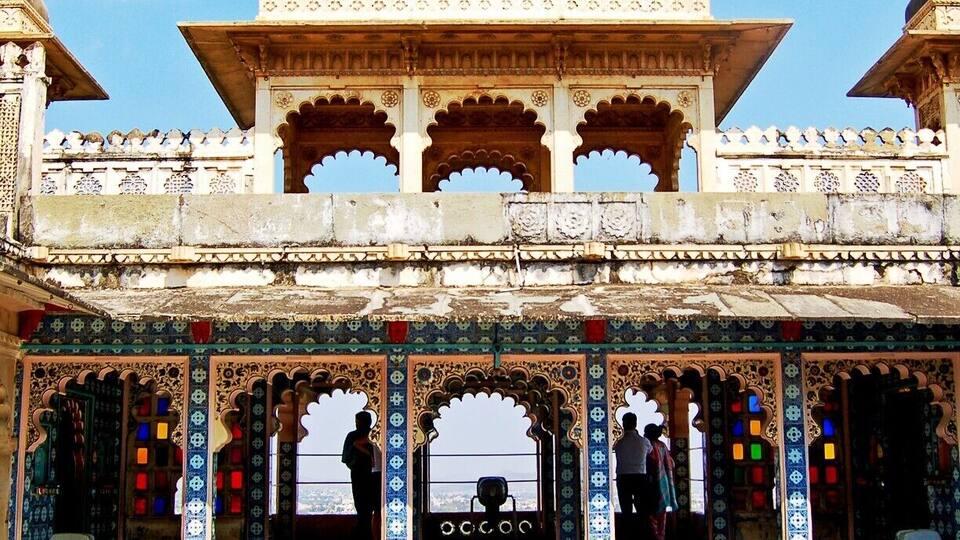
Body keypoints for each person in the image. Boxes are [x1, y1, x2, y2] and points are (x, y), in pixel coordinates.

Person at [613, 412, 653, 540]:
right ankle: (643, 536)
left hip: (623, 477)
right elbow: (651, 452)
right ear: (635, 423)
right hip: (640, 477)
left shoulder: (618, 442)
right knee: (643, 511)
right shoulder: (644, 441)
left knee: (626, 511)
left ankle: (627, 535)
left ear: (623, 424)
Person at [343, 411, 376, 540]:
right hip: (369, 475)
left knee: (364, 506)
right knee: (366, 506)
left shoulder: (354, 436)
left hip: (363, 475)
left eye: (358, 421)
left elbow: (347, 458)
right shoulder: (373, 434)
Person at [644, 424, 678, 540]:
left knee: (651, 516)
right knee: (661, 516)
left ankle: (655, 537)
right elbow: (672, 464)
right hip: (664, 485)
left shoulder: (649, 446)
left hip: (652, 485)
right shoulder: (662, 445)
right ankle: (661, 537)